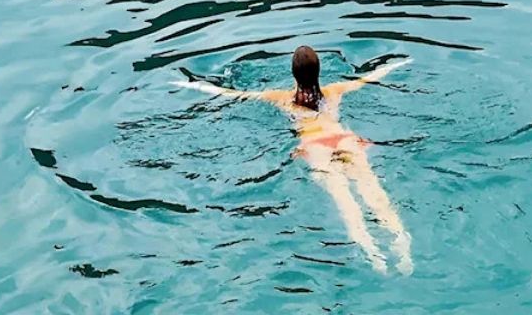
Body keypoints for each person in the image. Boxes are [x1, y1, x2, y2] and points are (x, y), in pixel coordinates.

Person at [174, 47, 413, 274]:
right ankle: (403, 248)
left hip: (315, 146)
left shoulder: (281, 98)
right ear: (319, 71)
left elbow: (232, 94)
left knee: (345, 202)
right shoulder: (334, 91)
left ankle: (373, 255)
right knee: (375, 194)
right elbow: (369, 78)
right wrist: (400, 63)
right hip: (344, 139)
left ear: (293, 73)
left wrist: (191, 84)